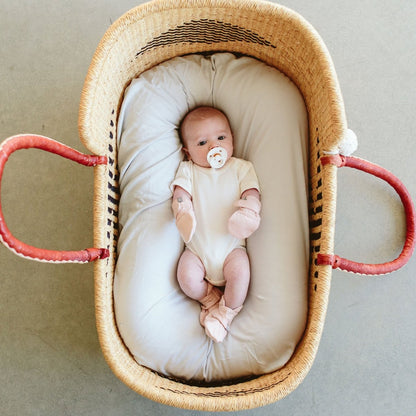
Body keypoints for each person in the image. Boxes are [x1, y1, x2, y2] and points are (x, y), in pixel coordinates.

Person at [171, 106, 261, 343]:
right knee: (186, 278)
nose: (214, 147)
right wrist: (182, 209)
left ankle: (225, 314)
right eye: (202, 143)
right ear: (188, 152)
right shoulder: (188, 170)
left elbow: (252, 192)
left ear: (232, 138)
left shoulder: (241, 168)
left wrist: (249, 210)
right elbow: (180, 194)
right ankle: (209, 298)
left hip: (232, 247)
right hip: (197, 251)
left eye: (221, 138)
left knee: (241, 274)